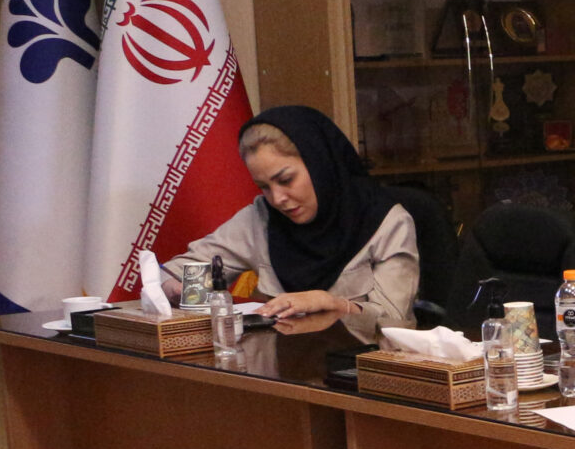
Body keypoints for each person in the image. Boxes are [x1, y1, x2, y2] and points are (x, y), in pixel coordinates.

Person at [160, 106, 419, 342]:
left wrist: (335, 305)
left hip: (362, 367)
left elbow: (396, 324)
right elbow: (178, 271)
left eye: (285, 180)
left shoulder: (386, 222)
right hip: (281, 366)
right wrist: (178, 288)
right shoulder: (262, 217)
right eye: (264, 186)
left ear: (319, 164)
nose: (277, 199)